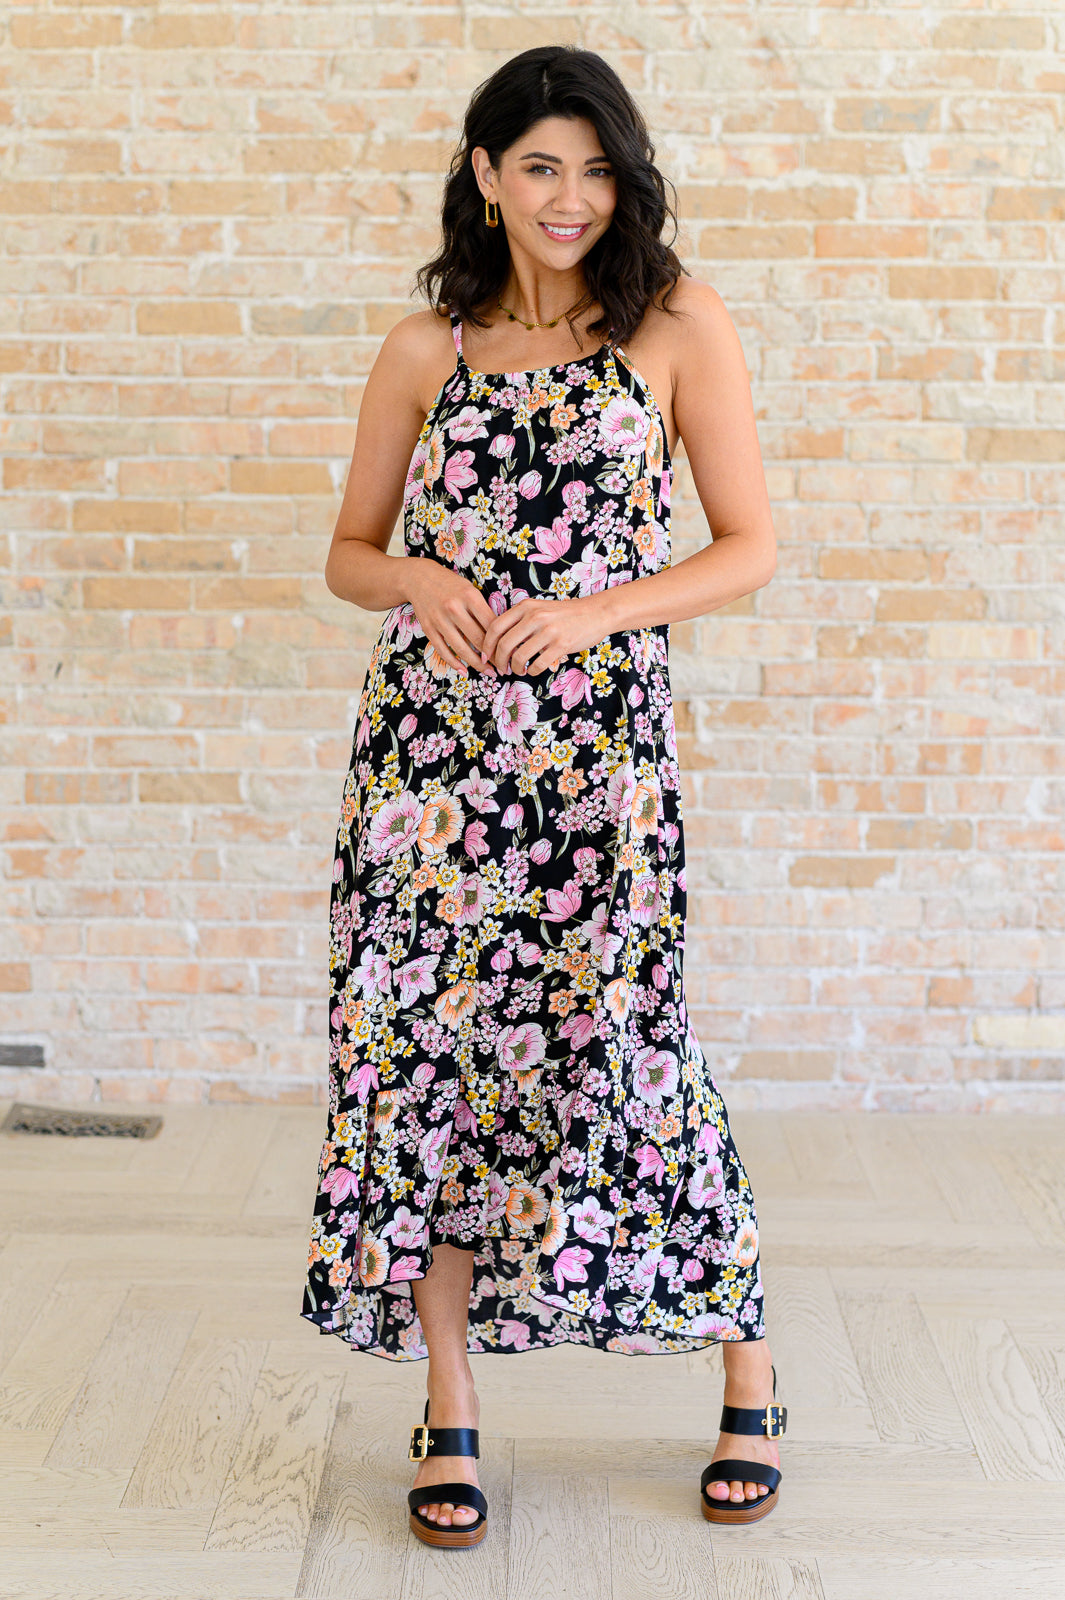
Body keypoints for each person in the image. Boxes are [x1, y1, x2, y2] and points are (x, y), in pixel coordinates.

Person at [301, 44, 785, 1545]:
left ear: (619, 178)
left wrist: (595, 613)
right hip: (426, 779)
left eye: (592, 168)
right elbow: (349, 554)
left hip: (594, 768)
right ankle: (445, 1404)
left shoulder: (675, 325)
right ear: (483, 175)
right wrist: (421, 579)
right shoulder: (421, 348)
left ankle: (746, 1369)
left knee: (629, 1049)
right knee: (419, 1066)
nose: (568, 198)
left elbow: (749, 544)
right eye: (537, 168)